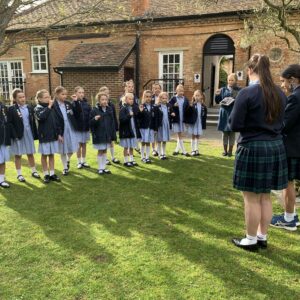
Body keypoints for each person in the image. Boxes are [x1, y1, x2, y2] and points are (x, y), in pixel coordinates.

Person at [229, 54, 288, 251]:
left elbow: (235, 124)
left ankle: (251, 239)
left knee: (251, 198)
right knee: (265, 196)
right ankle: (262, 237)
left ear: (250, 70)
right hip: (275, 147)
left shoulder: (246, 93)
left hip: (253, 147)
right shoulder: (280, 93)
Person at [271, 64, 300, 231]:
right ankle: (292, 216)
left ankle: (289, 218)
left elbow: (285, 124)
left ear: (293, 79)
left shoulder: (295, 97)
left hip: (292, 148)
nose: (282, 85)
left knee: (287, 183)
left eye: (283, 81)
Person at [9, 88, 40, 182]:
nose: (22, 99)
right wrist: (14, 136)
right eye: (20, 97)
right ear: (15, 99)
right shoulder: (11, 109)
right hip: (18, 135)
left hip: (28, 134)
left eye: (23, 96)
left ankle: (34, 171)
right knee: (18, 155)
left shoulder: (29, 108)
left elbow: (33, 122)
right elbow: (10, 124)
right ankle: (19, 175)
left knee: (30, 153)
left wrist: (35, 134)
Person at [34, 89, 61, 184]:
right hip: (44, 136)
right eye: (46, 97)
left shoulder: (52, 108)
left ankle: (52, 173)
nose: (48, 98)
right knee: (44, 155)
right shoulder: (38, 108)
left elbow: (56, 122)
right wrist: (49, 106)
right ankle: (46, 174)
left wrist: (59, 134)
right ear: (40, 99)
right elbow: (41, 117)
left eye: (49, 96)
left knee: (51, 154)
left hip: (53, 135)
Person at [53, 86, 80, 175]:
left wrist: (76, 101)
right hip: (61, 129)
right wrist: (58, 133)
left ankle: (67, 160)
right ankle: (65, 168)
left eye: (66, 94)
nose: (65, 96)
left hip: (70, 127)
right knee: (63, 149)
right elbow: (54, 120)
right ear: (57, 95)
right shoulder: (53, 105)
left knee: (72, 147)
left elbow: (77, 112)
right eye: (62, 94)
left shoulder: (68, 103)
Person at [215, 73, 241, 157]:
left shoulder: (239, 90)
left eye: (232, 80)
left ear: (236, 80)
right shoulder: (223, 89)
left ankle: (230, 151)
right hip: (224, 113)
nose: (230, 81)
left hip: (233, 113)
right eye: (229, 80)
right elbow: (217, 101)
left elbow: (241, 101)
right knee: (225, 133)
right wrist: (217, 95)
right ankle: (224, 151)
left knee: (232, 133)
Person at [90, 92, 116, 175]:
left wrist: (112, 134)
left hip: (107, 134)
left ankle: (104, 167)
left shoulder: (109, 110)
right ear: (99, 100)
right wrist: (94, 119)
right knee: (100, 150)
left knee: (105, 150)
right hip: (99, 134)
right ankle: (100, 168)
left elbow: (112, 123)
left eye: (106, 99)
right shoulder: (95, 110)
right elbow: (90, 123)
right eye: (102, 100)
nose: (104, 101)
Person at [99, 86, 120, 165]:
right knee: (105, 143)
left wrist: (116, 127)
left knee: (111, 142)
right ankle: (106, 158)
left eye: (108, 93)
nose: (108, 95)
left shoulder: (111, 105)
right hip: (103, 128)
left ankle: (113, 157)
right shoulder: (98, 106)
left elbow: (114, 117)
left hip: (111, 126)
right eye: (106, 93)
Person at [119, 93, 140, 167]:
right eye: (130, 99)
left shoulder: (131, 108)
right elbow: (122, 120)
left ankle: (131, 160)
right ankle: (126, 161)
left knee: (131, 146)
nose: (132, 100)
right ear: (125, 99)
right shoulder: (123, 109)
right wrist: (129, 115)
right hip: (126, 131)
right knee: (126, 146)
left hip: (132, 130)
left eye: (132, 99)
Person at [72, 86, 91, 169]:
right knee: (78, 145)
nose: (81, 94)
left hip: (85, 127)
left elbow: (90, 114)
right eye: (79, 92)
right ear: (75, 93)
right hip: (78, 128)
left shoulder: (86, 103)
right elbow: (75, 113)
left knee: (84, 144)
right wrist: (76, 101)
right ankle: (79, 161)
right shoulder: (73, 103)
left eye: (82, 92)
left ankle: (83, 161)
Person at [184, 90, 207, 156]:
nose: (197, 97)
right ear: (193, 96)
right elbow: (187, 113)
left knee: (198, 136)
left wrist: (203, 125)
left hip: (199, 123)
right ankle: (192, 150)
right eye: (195, 95)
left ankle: (197, 149)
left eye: (198, 95)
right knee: (193, 136)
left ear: (201, 97)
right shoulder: (192, 105)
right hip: (193, 123)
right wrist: (190, 107)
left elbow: (204, 116)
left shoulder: (203, 106)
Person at [169, 84, 190, 156]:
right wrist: (173, 106)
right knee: (179, 134)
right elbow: (169, 106)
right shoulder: (173, 98)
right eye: (179, 90)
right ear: (176, 91)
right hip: (176, 119)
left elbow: (188, 110)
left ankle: (177, 150)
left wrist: (187, 120)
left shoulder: (185, 99)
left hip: (182, 120)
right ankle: (184, 151)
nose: (181, 92)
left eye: (182, 91)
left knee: (180, 134)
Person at [138, 90, 158, 164]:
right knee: (143, 142)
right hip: (143, 128)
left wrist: (155, 128)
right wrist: (140, 111)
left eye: (150, 97)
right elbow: (139, 118)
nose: (148, 98)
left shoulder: (154, 107)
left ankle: (147, 157)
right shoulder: (141, 106)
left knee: (148, 142)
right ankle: (142, 157)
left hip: (151, 128)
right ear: (144, 97)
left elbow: (155, 118)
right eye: (147, 97)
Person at [155, 92, 173, 160]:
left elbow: (171, 112)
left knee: (164, 140)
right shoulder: (157, 107)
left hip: (166, 125)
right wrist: (156, 127)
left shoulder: (168, 106)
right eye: (163, 98)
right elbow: (156, 118)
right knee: (159, 140)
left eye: (166, 98)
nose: (164, 99)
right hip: (160, 126)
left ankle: (164, 153)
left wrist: (172, 113)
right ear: (160, 98)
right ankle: (160, 154)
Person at [0, 101, 12, 188]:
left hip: (3, 138)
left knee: (2, 160)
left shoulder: (4, 107)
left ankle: (1, 179)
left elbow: (7, 122)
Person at [151, 83, 162, 156]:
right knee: (153, 135)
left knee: (159, 134)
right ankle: (153, 149)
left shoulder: (163, 97)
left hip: (160, 119)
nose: (157, 90)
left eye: (158, 88)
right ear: (152, 90)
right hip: (152, 119)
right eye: (155, 88)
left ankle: (158, 149)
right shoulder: (150, 98)